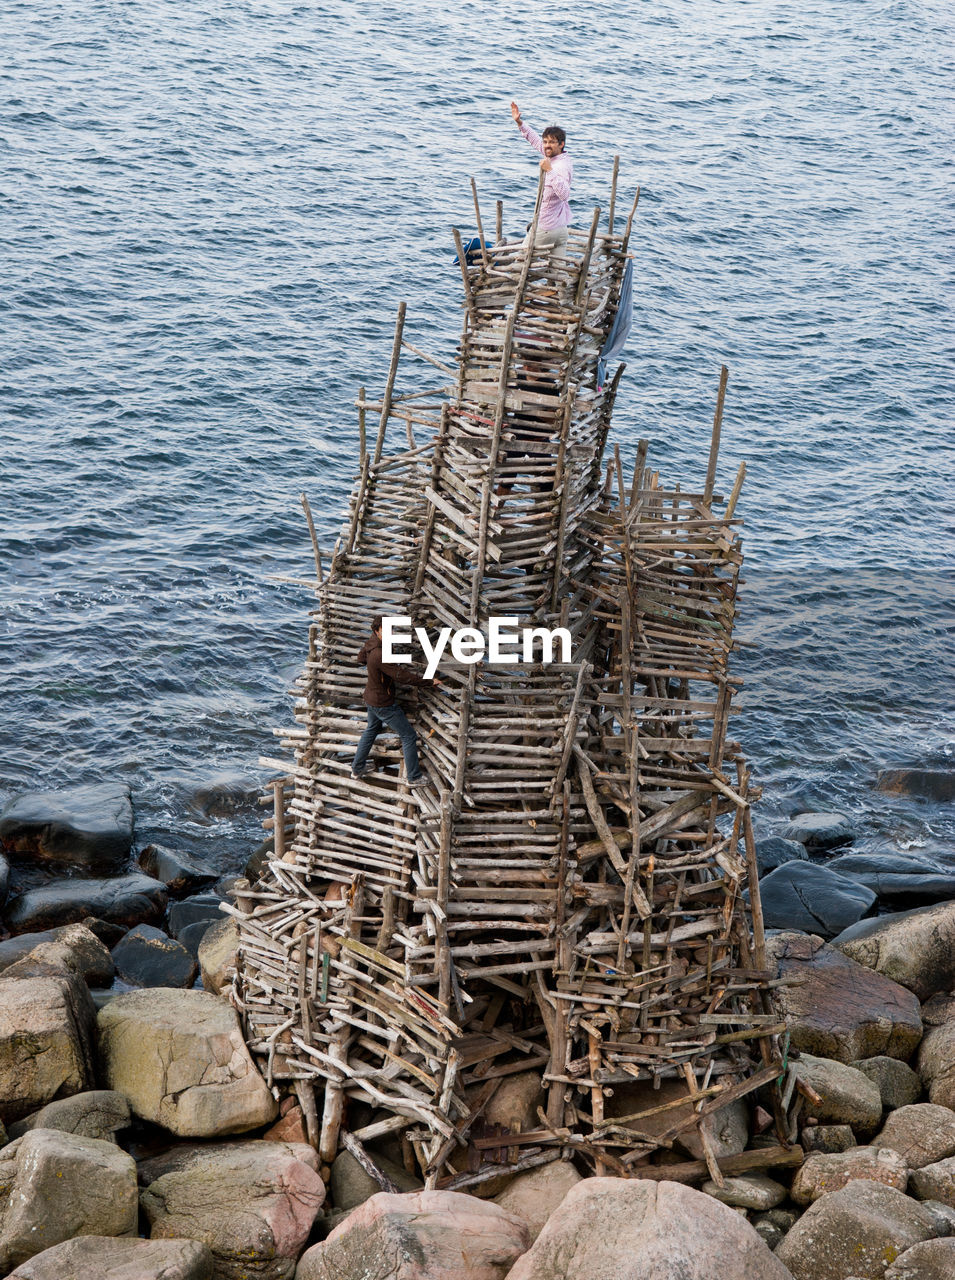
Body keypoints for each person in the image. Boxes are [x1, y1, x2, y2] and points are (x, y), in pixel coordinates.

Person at [351, 616, 438, 787]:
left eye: (392, 629)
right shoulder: (379, 653)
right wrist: (428, 681)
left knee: (372, 728)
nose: (390, 633)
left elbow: (360, 659)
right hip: (383, 703)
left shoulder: (372, 644)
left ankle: (357, 768)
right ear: (377, 631)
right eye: (386, 630)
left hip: (371, 697)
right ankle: (413, 777)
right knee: (408, 735)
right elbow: (401, 675)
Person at [510, 101, 573, 257]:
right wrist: (520, 123)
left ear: (561, 144)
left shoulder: (560, 166)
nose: (546, 145)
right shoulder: (558, 156)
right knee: (559, 274)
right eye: (546, 142)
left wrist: (549, 171)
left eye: (551, 142)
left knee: (519, 262)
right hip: (561, 229)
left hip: (546, 228)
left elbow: (565, 194)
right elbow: (535, 140)